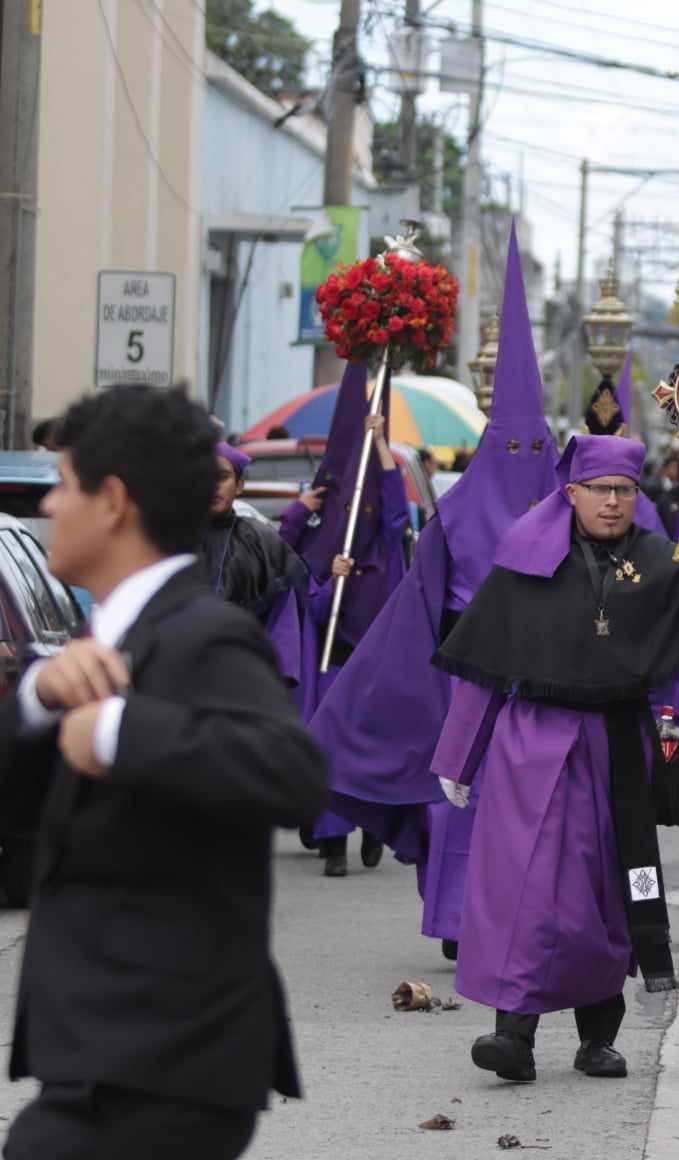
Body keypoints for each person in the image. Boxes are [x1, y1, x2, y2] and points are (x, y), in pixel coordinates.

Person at [0, 384, 326, 1160]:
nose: (49, 506)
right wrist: (37, 697)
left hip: (168, 1059)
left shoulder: (201, 634)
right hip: (106, 1056)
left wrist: (118, 728)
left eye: (65, 485)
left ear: (112, 501)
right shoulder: (99, 640)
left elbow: (293, 771)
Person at [431, 435, 679, 1083]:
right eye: (599, 489)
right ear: (570, 493)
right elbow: (487, 663)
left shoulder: (662, 559)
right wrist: (458, 756)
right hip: (531, 742)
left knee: (612, 888)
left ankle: (599, 1037)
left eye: (624, 491)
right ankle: (512, 1033)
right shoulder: (525, 560)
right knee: (528, 889)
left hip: (616, 744)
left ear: (637, 496)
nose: (611, 502)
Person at [309, 229, 560, 957]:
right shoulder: (454, 512)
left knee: (531, 814)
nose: (521, 463)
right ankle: (455, 921)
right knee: (458, 807)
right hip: (466, 685)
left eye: (533, 450)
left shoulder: (566, 513)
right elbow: (418, 601)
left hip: (543, 686)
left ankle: (519, 922)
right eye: (508, 448)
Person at [273, 372, 407, 877]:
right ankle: (332, 843)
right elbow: (286, 575)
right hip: (331, 658)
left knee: (370, 748)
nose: (358, 513)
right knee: (326, 745)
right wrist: (299, 518)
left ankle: (373, 827)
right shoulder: (319, 548)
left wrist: (379, 445)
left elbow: (394, 507)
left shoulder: (389, 549)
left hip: (373, 663)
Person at [197, 442, 306, 622]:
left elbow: (287, 616)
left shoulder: (261, 540)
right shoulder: (171, 540)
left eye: (222, 477)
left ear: (239, 486)